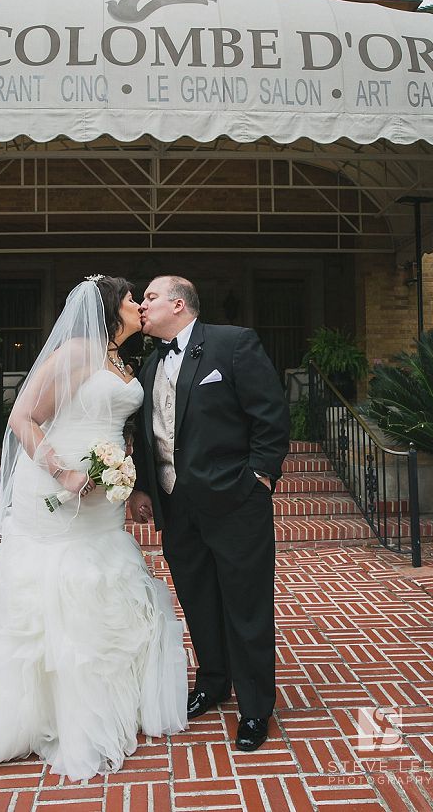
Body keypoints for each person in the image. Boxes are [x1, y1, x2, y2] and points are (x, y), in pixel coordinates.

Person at [0, 276, 188, 782]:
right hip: (60, 486)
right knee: (58, 582)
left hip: (104, 494)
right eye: (129, 298)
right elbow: (23, 418)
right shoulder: (77, 351)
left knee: (104, 574)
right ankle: (47, 703)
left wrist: (123, 474)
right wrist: (65, 472)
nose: (139, 304)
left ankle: (113, 688)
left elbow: (119, 423)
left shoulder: (122, 361)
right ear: (107, 308)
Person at [127, 276, 290, 753]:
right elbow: (149, 433)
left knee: (246, 605)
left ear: (178, 304)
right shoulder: (149, 364)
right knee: (199, 600)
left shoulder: (232, 343)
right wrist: (142, 486)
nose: (143, 305)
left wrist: (258, 479)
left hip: (236, 504)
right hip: (178, 507)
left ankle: (256, 707)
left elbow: (271, 417)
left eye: (150, 297)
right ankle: (214, 683)